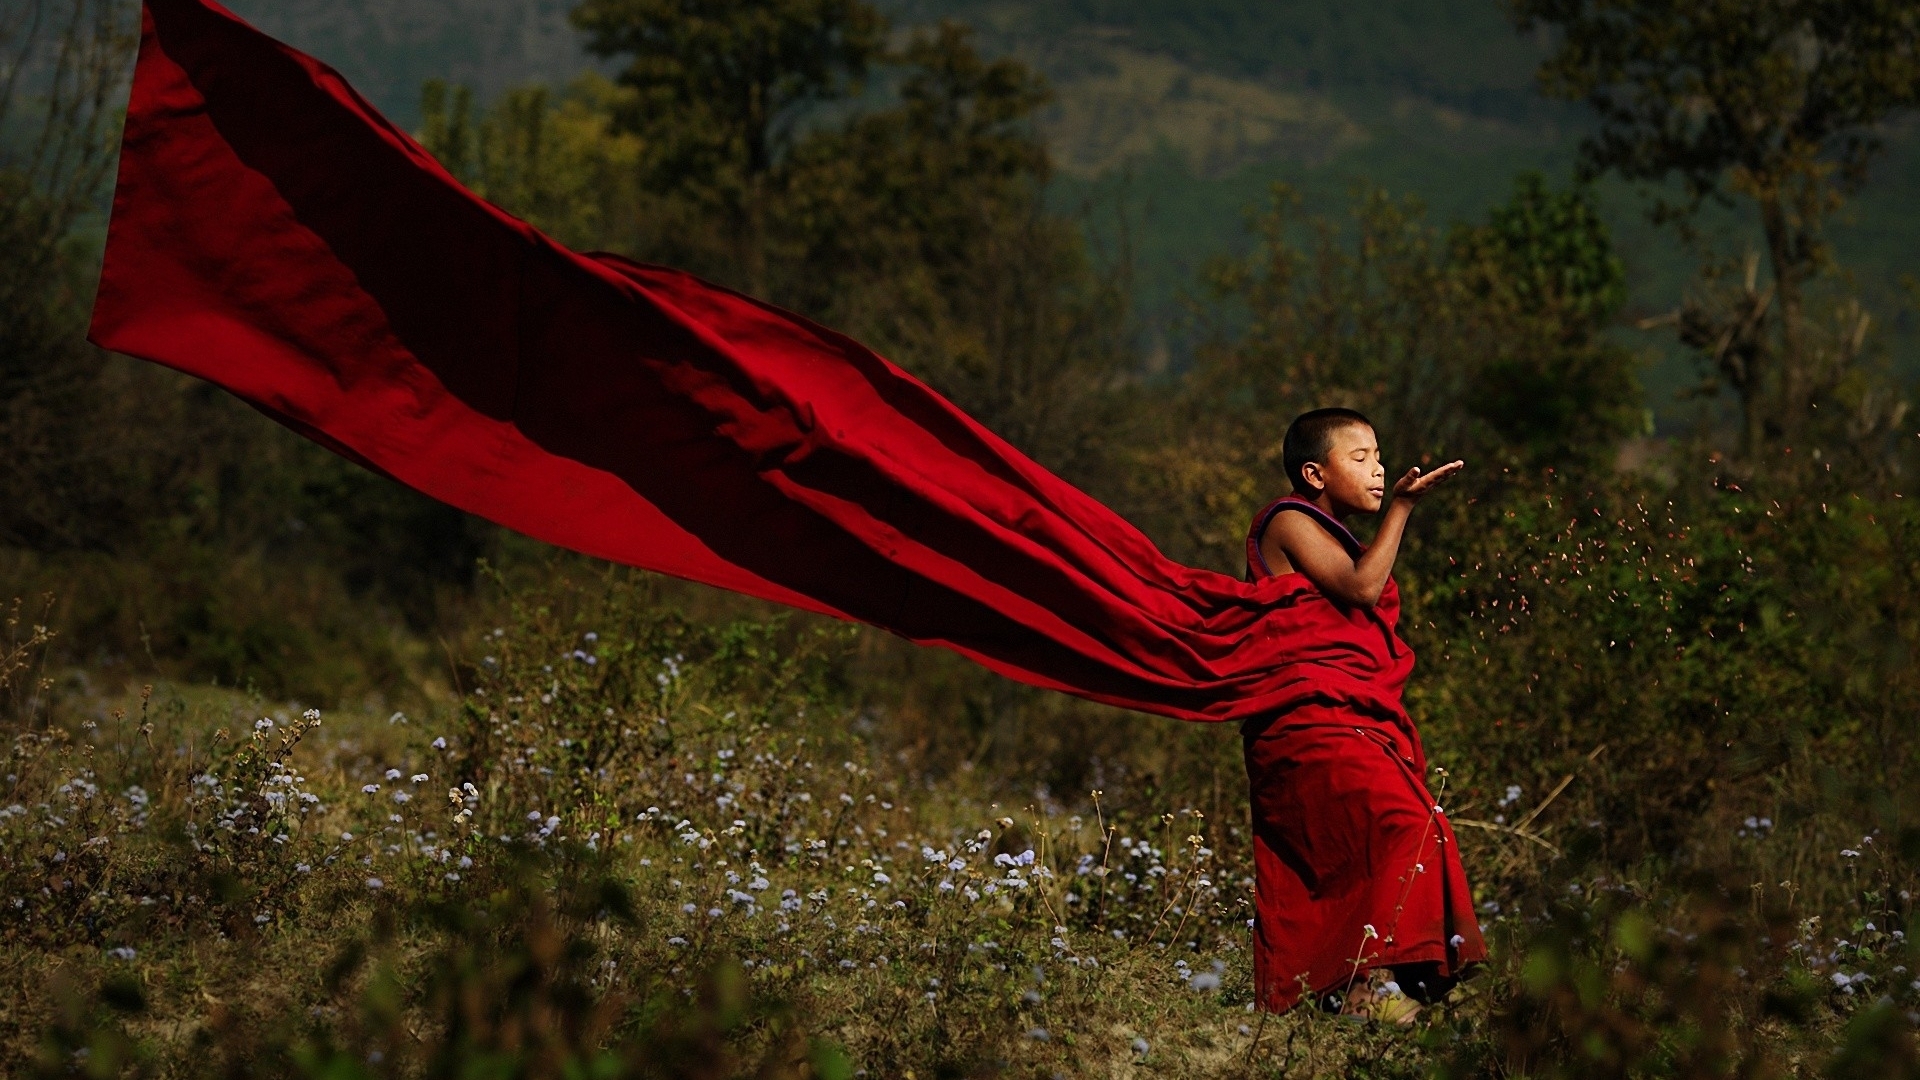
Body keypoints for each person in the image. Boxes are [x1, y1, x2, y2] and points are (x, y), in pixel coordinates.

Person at [1241, 407, 1485, 1022]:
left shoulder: (1333, 530)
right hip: (1307, 720)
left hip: (1345, 715)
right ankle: (1371, 986)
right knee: (1402, 828)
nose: (1378, 472)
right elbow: (1360, 589)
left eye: (1379, 458)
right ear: (1314, 473)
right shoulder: (1289, 519)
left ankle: (1355, 993)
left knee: (1380, 841)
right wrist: (1401, 510)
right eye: (1361, 459)